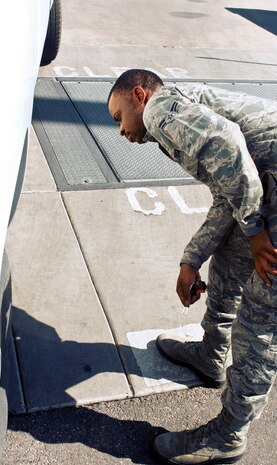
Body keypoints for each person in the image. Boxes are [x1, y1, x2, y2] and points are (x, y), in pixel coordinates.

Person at [107, 69, 277, 465]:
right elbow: (229, 191)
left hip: (269, 197)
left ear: (139, 95)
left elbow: (229, 146)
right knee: (230, 265)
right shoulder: (184, 107)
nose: (120, 130)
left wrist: (254, 230)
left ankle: (228, 435)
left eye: (118, 117)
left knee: (259, 323)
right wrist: (192, 258)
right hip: (267, 189)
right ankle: (211, 355)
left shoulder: (161, 109)